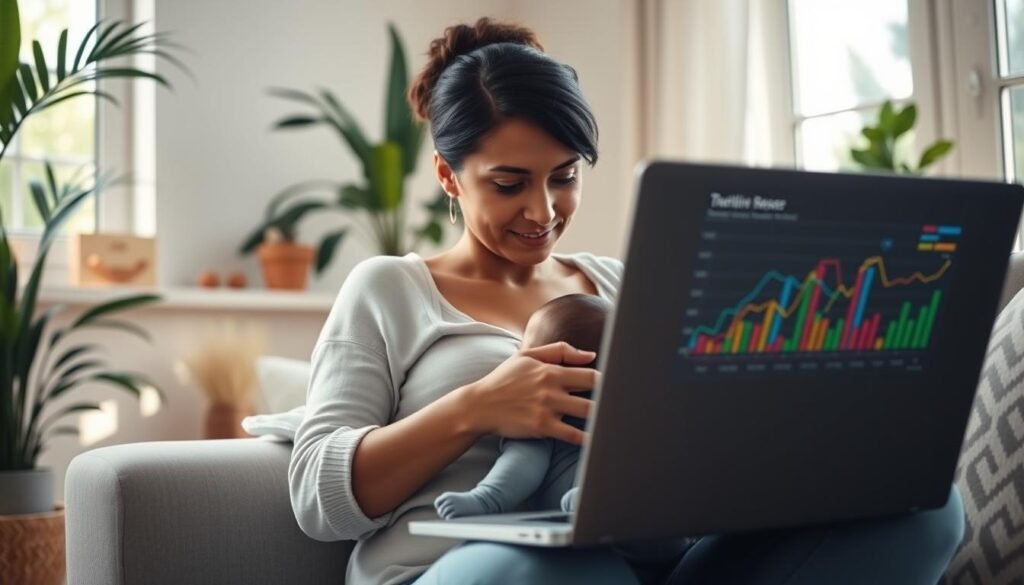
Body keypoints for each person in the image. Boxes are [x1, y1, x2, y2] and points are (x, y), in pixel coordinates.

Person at [288, 17, 965, 585]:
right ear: (447, 174)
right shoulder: (389, 288)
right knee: (563, 570)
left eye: (564, 177)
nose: (543, 210)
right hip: (473, 567)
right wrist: (478, 405)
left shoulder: (620, 282)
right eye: (509, 183)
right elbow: (318, 497)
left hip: (647, 562)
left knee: (925, 511)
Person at [433, 293, 611, 520]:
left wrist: (485, 498)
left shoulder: (536, 412)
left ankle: (489, 498)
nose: (516, 354)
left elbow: (522, 465)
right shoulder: (618, 407)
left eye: (525, 348)